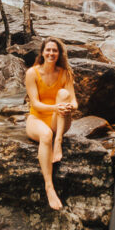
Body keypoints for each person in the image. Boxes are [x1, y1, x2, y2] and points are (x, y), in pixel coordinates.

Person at [25, 37, 78, 210]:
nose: (51, 53)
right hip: (37, 119)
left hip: (59, 121)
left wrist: (67, 106)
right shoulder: (32, 73)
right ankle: (49, 187)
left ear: (59, 53)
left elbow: (75, 102)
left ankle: (59, 141)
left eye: (55, 50)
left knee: (63, 94)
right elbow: (36, 104)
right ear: (42, 52)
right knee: (46, 135)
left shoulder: (65, 73)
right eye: (48, 50)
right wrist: (57, 107)